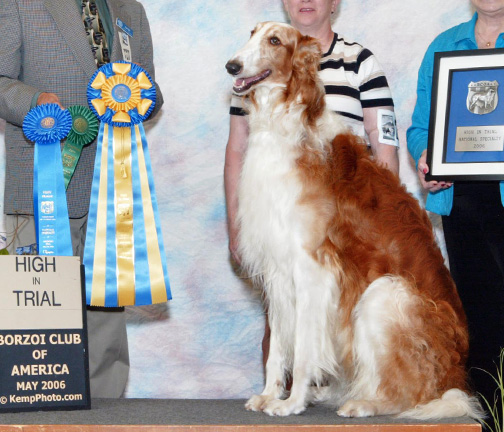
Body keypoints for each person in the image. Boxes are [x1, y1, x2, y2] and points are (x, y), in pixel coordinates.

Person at [0, 0, 163, 397]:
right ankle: (42, 415)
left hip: (115, 185)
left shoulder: (131, 11)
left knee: (106, 317)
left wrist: (142, 96)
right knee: (38, 319)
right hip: (43, 181)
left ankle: (106, 412)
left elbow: (152, 91)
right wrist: (36, 102)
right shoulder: (19, 3)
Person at [225, 0, 399, 366]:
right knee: (279, 319)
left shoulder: (360, 60)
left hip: (345, 224)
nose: (305, 1)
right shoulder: (256, 65)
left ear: (335, 3)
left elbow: (383, 140)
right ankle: (284, 400)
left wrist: (385, 219)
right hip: (278, 221)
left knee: (355, 314)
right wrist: (235, 222)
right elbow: (237, 147)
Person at [407, 0, 504, 414]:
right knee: (479, 319)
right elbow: (418, 129)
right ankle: (489, 417)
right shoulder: (443, 46)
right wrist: (427, 156)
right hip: (459, 203)